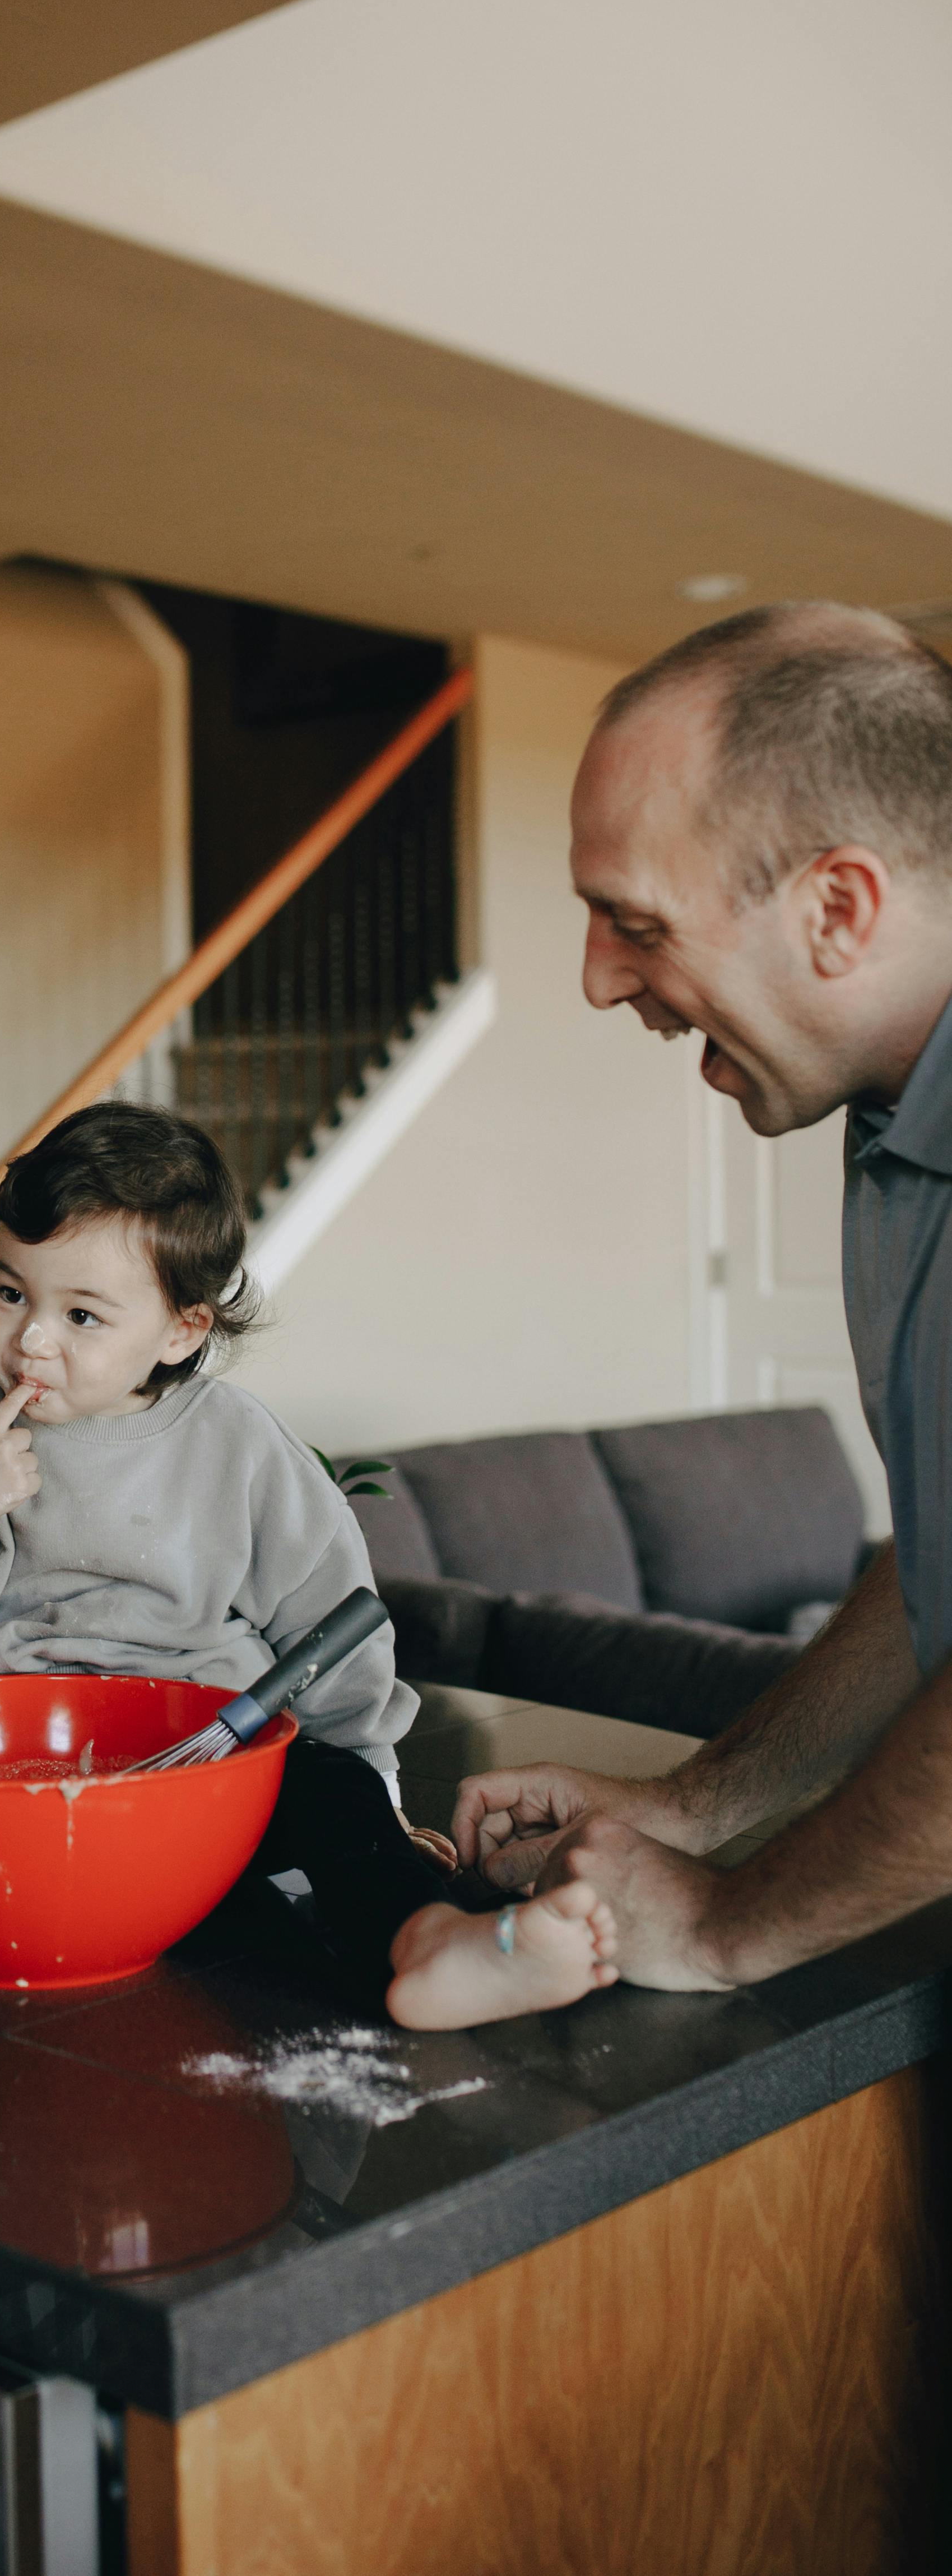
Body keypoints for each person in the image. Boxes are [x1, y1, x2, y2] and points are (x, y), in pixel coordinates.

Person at [0, 1101, 619, 2028]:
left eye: (83, 1314)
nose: (32, 1340)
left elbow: (330, 1624)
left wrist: (374, 1792)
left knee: (330, 1796)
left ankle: (433, 1945)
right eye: (11, 1292)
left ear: (180, 1330)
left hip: (196, 1799)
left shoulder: (239, 1447)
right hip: (2, 1791)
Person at [452, 604, 952, 1990]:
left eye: (634, 921)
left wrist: (731, 1923)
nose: (601, 976)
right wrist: (698, 1801)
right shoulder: (897, 1127)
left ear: (839, 909)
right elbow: (939, 1566)